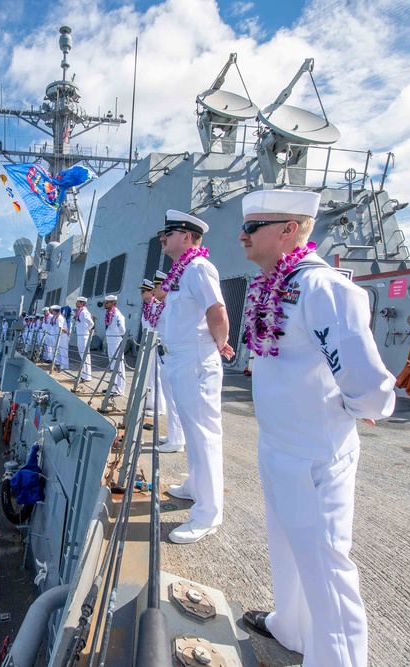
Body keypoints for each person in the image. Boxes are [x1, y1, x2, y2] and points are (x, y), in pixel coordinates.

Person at [237, 189, 396, 667]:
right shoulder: (273, 284)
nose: (242, 236)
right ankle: (291, 625)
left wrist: (366, 406)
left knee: (327, 568)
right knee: (285, 545)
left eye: (252, 227)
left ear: (289, 229)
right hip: (279, 444)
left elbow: (366, 379)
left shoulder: (324, 288)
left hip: (313, 454)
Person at [156, 209, 233, 544]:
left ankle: (208, 514)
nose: (163, 238)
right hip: (180, 358)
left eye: (168, 233)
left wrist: (219, 344)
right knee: (191, 429)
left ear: (186, 237)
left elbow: (216, 309)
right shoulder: (183, 270)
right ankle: (194, 486)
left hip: (195, 359)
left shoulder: (200, 268)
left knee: (204, 437)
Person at [150, 270, 187, 454]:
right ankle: (173, 435)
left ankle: (177, 441)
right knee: (170, 398)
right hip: (164, 355)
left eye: (157, 286)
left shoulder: (170, 305)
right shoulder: (163, 305)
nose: (154, 289)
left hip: (170, 355)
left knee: (174, 400)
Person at [139, 279, 165, 415]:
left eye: (143, 291)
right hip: (148, 343)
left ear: (151, 292)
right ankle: (150, 402)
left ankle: (159, 406)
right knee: (149, 374)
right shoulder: (146, 308)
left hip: (157, 343)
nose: (141, 294)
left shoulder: (157, 306)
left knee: (157, 374)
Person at [102, 295, 126, 395]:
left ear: (113, 303)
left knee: (118, 366)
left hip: (116, 343)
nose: (105, 304)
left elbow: (122, 330)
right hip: (111, 342)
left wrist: (116, 337)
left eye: (107, 302)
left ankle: (120, 389)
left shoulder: (117, 314)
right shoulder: (108, 313)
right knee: (113, 366)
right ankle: (113, 387)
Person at [73, 296, 94, 381]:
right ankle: (85, 374)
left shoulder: (84, 312)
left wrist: (86, 330)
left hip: (84, 336)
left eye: (78, 302)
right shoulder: (80, 312)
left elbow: (91, 323)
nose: (76, 303)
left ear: (82, 303)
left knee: (85, 356)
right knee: (82, 355)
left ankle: (87, 376)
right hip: (80, 335)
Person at [54, 305, 70, 370]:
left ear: (55, 311)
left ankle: (65, 365)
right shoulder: (57, 317)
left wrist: (66, 331)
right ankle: (60, 363)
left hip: (63, 336)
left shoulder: (60, 318)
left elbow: (61, 327)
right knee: (60, 350)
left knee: (63, 351)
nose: (52, 312)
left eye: (53, 311)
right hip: (60, 336)